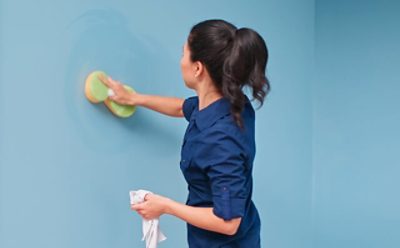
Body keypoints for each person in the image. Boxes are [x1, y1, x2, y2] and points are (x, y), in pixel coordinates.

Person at [101, 19, 270, 247]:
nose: (180, 61)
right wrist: (133, 98)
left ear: (197, 68)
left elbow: (228, 222)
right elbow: (182, 107)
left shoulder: (220, 140)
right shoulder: (230, 103)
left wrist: (165, 206)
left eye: (184, 54)